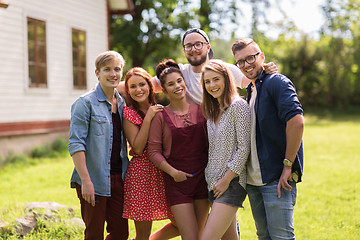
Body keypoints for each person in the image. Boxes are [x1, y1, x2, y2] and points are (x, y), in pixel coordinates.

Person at [231, 38, 304, 240]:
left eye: (251, 57)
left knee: (281, 237)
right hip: (254, 182)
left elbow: (297, 122)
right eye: (241, 61)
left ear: (261, 56)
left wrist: (288, 166)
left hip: (276, 178)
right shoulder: (252, 90)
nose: (247, 64)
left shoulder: (276, 82)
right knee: (263, 236)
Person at [117, 28, 278, 103]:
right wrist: (105, 87)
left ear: (208, 47)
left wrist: (265, 69)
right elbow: (142, 86)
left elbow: (251, 80)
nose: (193, 49)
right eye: (189, 46)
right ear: (184, 50)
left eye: (198, 44)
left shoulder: (223, 69)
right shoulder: (178, 74)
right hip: (194, 138)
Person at [68, 51, 129, 240]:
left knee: (120, 234)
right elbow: (75, 144)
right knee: (94, 234)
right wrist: (86, 181)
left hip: (119, 177)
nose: (113, 74)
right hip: (93, 179)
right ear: (97, 73)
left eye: (117, 69)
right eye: (107, 70)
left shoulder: (121, 102)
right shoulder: (85, 103)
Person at [147, 59, 210, 240]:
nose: (177, 86)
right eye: (171, 84)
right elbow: (153, 152)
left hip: (202, 181)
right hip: (177, 184)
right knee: (189, 236)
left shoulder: (202, 111)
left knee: (199, 235)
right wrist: (173, 172)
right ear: (164, 90)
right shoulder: (160, 116)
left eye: (179, 81)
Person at [121, 67, 179, 240]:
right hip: (142, 175)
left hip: (164, 172)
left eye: (142, 84)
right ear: (128, 91)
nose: (138, 90)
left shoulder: (160, 110)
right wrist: (148, 119)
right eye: (132, 87)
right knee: (142, 234)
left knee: (182, 224)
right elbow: (137, 148)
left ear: (149, 85)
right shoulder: (128, 113)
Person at [200, 59, 251, 240]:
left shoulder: (239, 106)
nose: (212, 85)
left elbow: (244, 148)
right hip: (213, 181)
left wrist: (226, 180)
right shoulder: (212, 110)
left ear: (226, 79)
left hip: (231, 182)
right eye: (207, 82)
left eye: (216, 79)